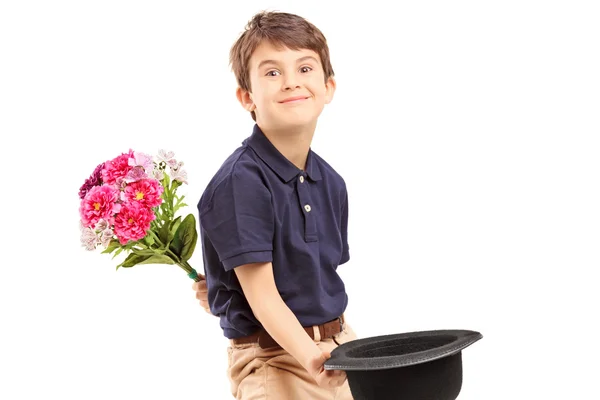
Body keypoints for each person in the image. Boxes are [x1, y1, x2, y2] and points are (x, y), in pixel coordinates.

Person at [192, 10, 358, 399]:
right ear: (246, 96)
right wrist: (312, 359)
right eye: (271, 73)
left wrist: (220, 287)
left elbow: (310, 276)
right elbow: (264, 299)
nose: (291, 83)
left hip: (337, 346)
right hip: (277, 359)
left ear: (328, 86)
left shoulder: (330, 182)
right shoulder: (241, 182)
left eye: (304, 68)